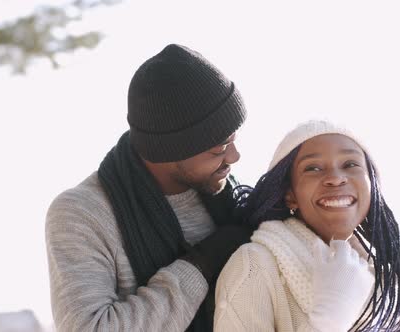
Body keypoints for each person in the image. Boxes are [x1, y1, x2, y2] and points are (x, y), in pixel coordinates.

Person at [45, 43, 252, 331]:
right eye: (219, 148)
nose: (234, 157)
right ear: (168, 150)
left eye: (234, 139)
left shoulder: (236, 201)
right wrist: (201, 264)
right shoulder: (83, 213)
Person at [214, 119, 400, 331]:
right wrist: (329, 321)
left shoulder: (385, 281)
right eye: (313, 168)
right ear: (290, 195)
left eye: (350, 164)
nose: (336, 178)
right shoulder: (254, 265)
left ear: (372, 185)